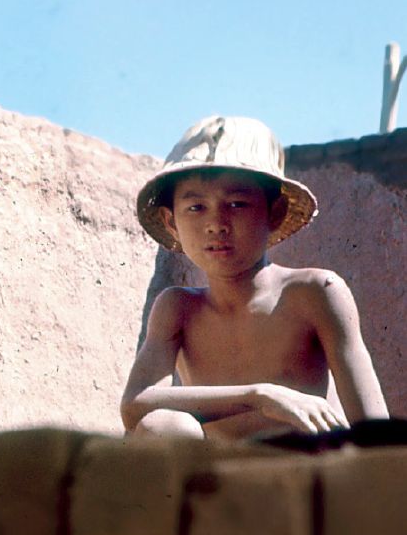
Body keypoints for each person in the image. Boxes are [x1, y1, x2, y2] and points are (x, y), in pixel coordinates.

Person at [121, 115, 389, 440]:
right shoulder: (177, 308)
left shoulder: (314, 292)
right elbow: (135, 405)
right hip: (222, 471)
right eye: (196, 207)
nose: (216, 224)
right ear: (171, 221)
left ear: (274, 212)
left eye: (237, 204)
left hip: (308, 467)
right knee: (163, 426)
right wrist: (260, 396)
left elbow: (376, 429)